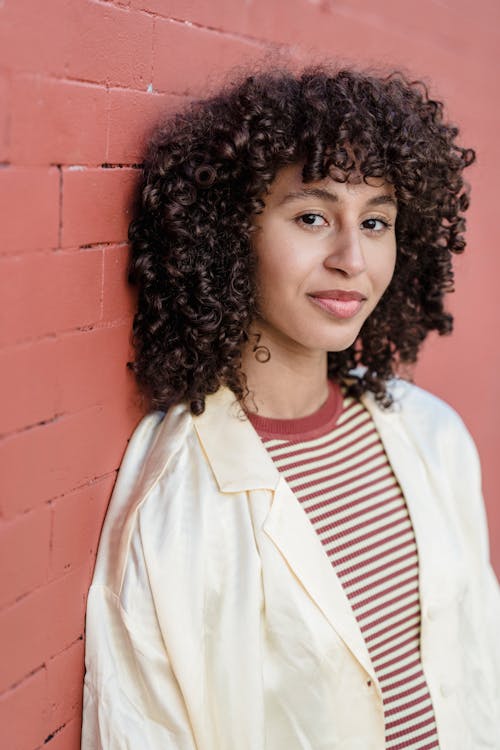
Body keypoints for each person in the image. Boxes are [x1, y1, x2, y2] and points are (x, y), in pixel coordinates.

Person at [81, 66, 500, 749]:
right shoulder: (178, 498)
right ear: (229, 231)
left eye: (375, 221)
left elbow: (483, 673)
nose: (352, 258)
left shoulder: (434, 436)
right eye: (312, 216)